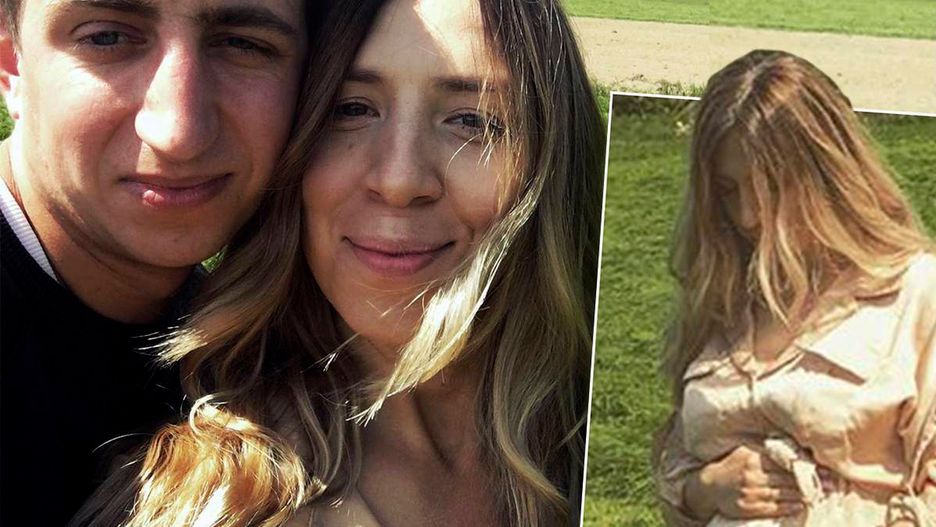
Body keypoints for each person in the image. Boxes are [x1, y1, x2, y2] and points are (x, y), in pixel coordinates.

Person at [73, 0, 603, 525]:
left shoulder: (602, 426)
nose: (398, 181)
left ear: (553, 165)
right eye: (351, 110)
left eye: (471, 119)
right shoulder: (229, 505)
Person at [0, 0, 311, 523]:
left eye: (243, 44)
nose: (179, 133)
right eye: (106, 38)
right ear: (13, 69)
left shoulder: (264, 343)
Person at [654, 49, 935, 526]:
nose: (747, 216)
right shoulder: (724, 299)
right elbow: (677, 468)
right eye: (728, 190)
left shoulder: (915, 292)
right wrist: (708, 488)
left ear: (826, 173)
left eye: (768, 186)